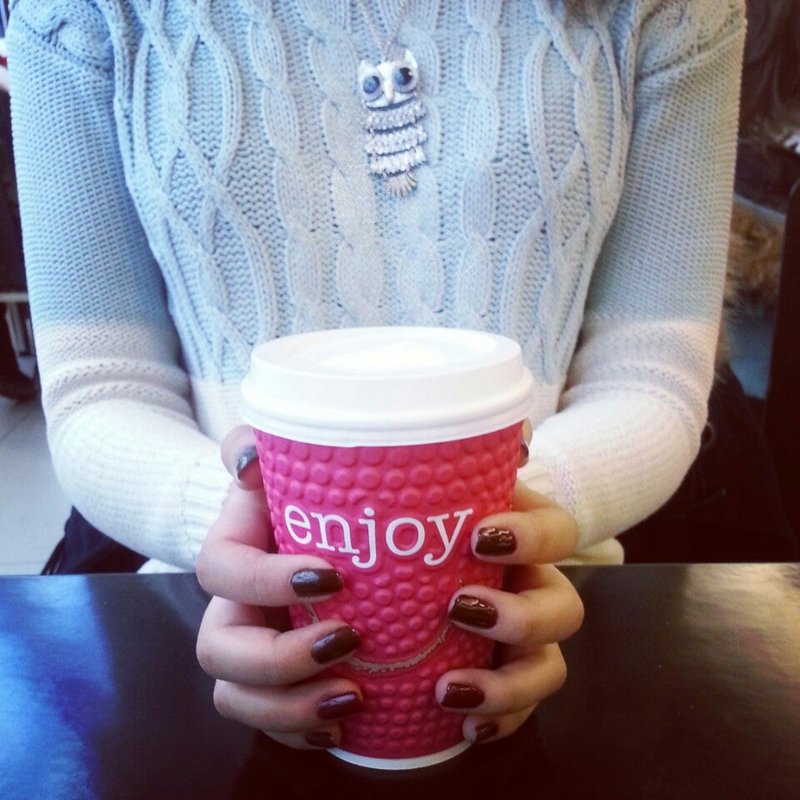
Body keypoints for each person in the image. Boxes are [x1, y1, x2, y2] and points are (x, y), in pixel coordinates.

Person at [7, 0, 744, 749]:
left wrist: (509, 523)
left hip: (548, 604)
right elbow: (100, 389)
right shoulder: (81, 14)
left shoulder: (673, 12)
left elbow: (651, 370)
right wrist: (252, 536)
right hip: (213, 615)